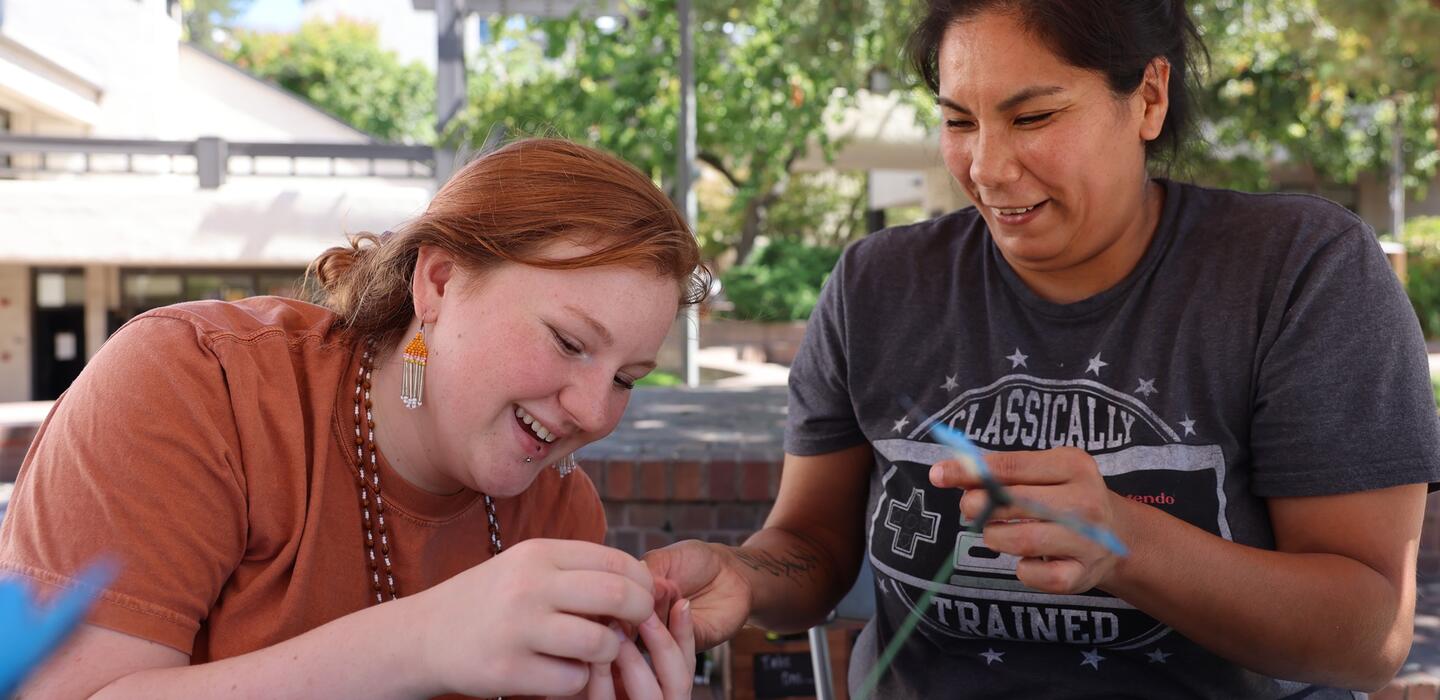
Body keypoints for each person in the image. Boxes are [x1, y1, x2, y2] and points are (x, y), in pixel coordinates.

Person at [642, 1, 1440, 697]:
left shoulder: (1298, 270)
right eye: (958, 120)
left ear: (1149, 97)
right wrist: (743, 576)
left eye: (1033, 117)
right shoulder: (877, 284)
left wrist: (1126, 542)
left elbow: (1366, 639)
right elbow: (812, 546)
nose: (986, 167)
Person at [0, 138, 709, 699]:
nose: (593, 411)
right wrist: (423, 641)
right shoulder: (195, 382)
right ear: (439, 281)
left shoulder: (558, 512)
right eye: (568, 342)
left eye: (624, 379)